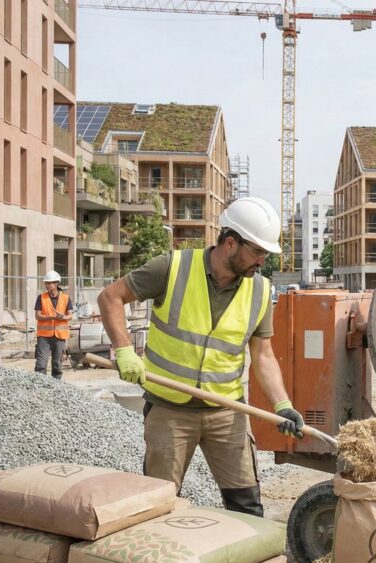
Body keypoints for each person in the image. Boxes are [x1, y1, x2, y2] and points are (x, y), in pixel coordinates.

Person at [98, 197, 306, 517]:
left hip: (226, 411)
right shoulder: (172, 267)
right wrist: (125, 350)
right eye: (258, 251)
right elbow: (111, 297)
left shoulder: (261, 291)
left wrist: (283, 405)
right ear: (231, 242)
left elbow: (263, 355)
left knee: (246, 504)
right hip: (169, 410)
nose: (262, 261)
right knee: (157, 504)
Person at [34, 270, 73, 380]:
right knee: (41, 364)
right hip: (44, 336)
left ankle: (56, 387)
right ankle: (39, 385)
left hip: (60, 336)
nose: (47, 285)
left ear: (56, 284)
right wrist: (51, 317)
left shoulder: (65, 298)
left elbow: (70, 315)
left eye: (49, 283)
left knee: (57, 365)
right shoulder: (41, 297)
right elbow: (37, 315)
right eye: (46, 283)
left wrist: (63, 317)